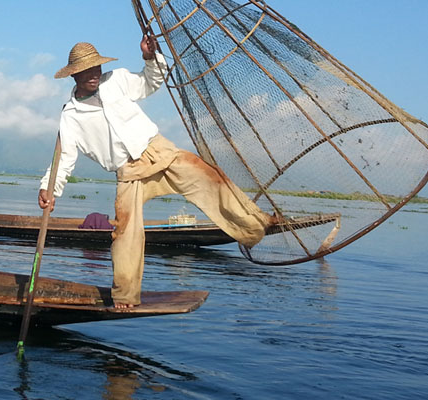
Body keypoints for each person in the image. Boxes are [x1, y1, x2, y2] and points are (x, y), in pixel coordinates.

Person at [38, 36, 276, 309]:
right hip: (128, 171)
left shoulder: (116, 80)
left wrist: (150, 58)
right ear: (74, 75)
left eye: (96, 68)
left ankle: (257, 224)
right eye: (87, 71)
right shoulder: (70, 115)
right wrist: (49, 189)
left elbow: (150, 82)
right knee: (126, 233)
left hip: (158, 150)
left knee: (210, 178)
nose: (93, 74)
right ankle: (125, 297)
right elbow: (65, 158)